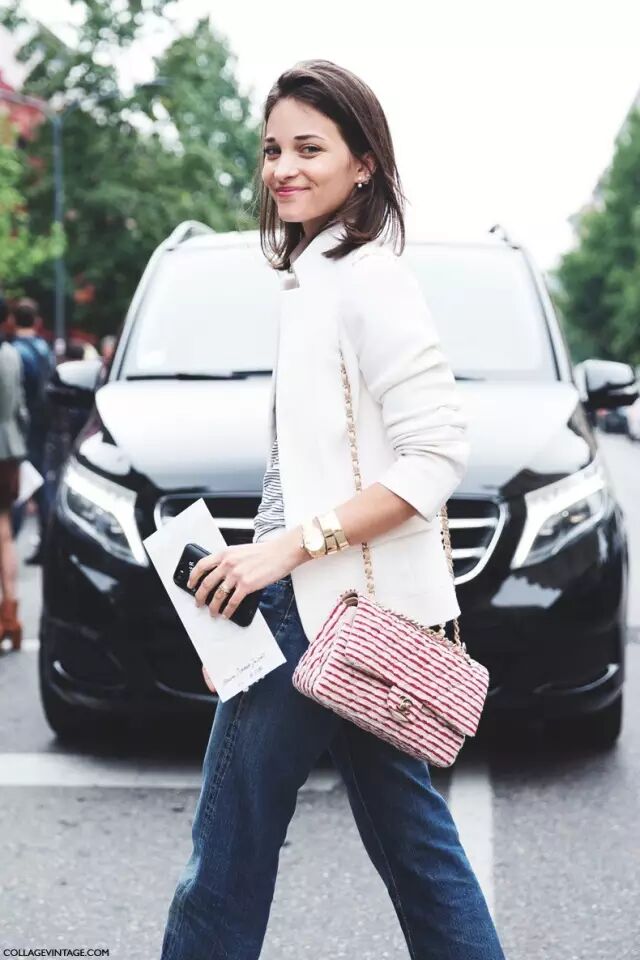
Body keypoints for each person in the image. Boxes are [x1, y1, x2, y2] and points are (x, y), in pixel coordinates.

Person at [159, 60, 506, 960]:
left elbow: (437, 454)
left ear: (364, 165)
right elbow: (303, 473)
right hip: (345, 612)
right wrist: (242, 600)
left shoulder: (365, 277)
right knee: (419, 855)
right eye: (272, 149)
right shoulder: (315, 276)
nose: (283, 169)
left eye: (309, 149)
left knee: (224, 861)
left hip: (317, 611)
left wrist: (281, 556)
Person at [10, 298, 56, 563]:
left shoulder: (14, 350)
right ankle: (47, 543)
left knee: (18, 484)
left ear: (13, 320)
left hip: (21, 426)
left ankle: (9, 539)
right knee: (39, 482)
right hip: (44, 424)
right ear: (37, 320)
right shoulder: (44, 349)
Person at [0, 307, 28, 650]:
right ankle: (11, 617)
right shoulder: (10, 354)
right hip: (9, 449)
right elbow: (21, 407)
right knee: (4, 534)